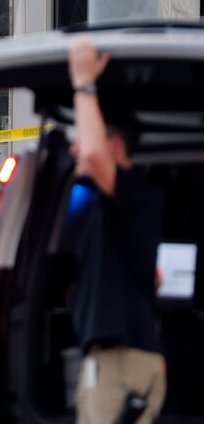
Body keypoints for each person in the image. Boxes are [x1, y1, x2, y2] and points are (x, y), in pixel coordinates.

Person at [67, 38, 166, 424]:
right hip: (119, 359)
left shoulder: (136, 194)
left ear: (117, 146)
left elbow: (92, 154)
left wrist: (83, 82)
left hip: (120, 361)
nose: (78, 149)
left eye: (87, 136)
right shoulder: (105, 209)